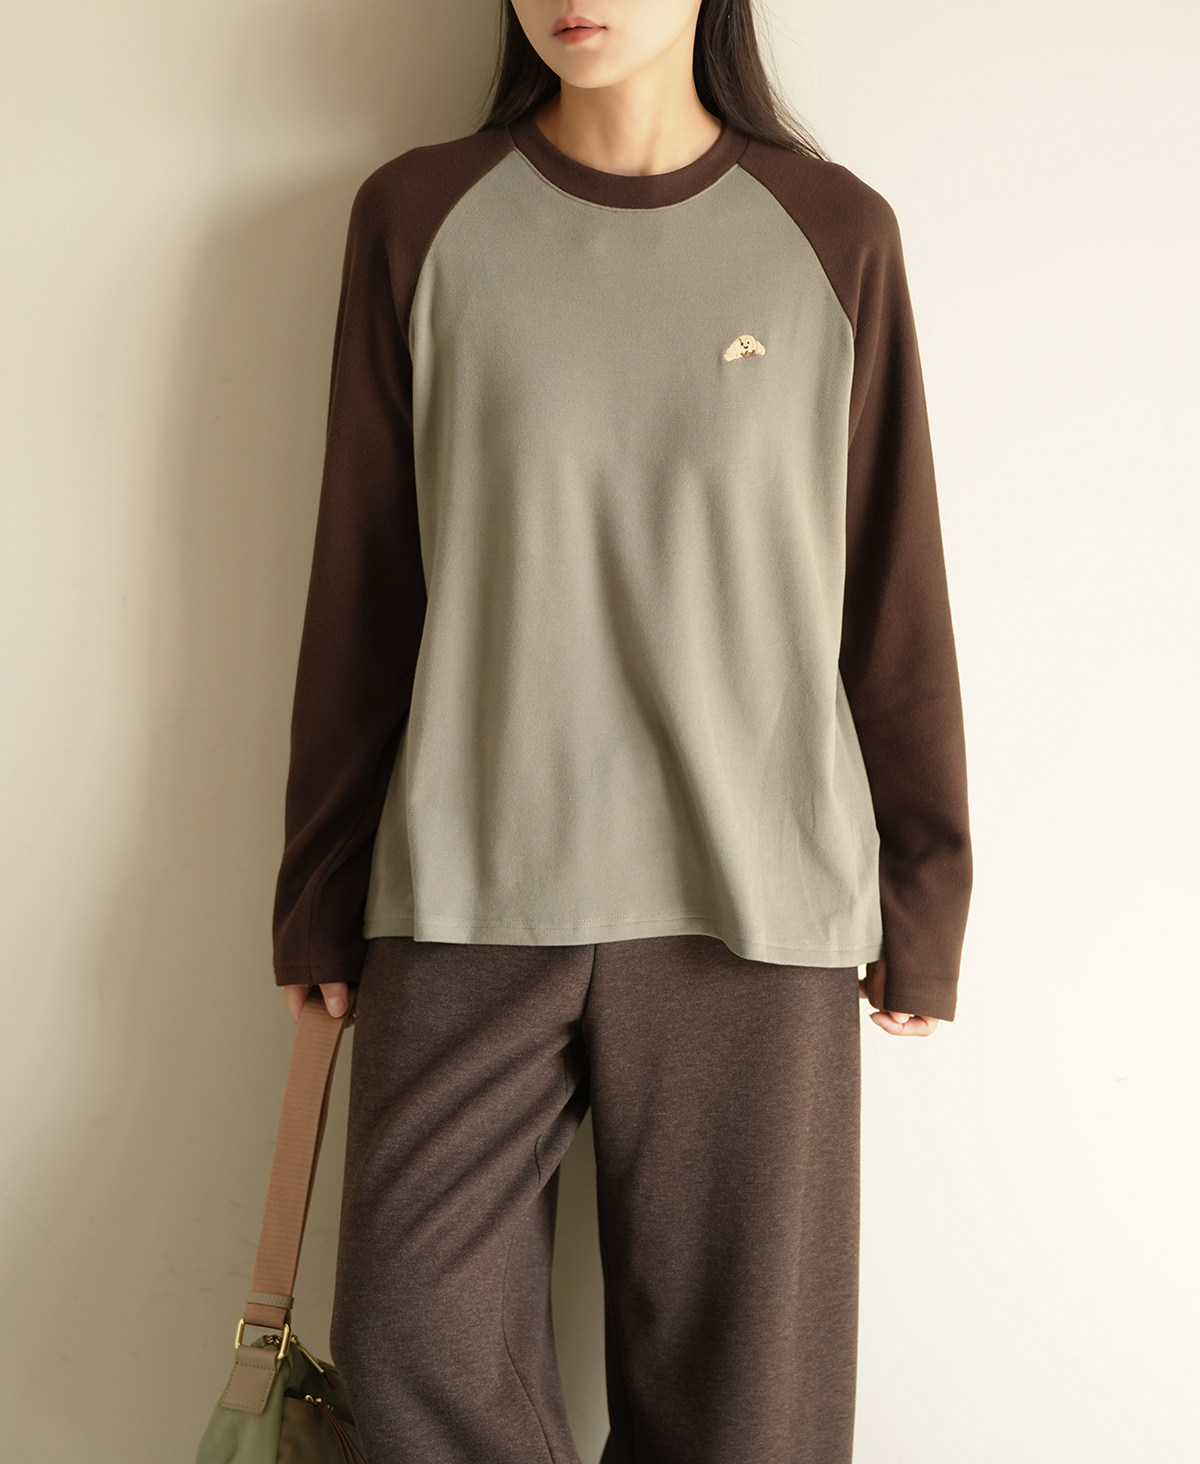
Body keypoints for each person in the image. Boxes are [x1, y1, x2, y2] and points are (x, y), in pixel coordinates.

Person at [271, 2, 972, 1459]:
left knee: (749, 1416)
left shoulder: (833, 233)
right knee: (412, 1357)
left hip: (754, 903)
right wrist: (322, 885)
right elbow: (365, 575)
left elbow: (889, 577)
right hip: (467, 885)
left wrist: (926, 883)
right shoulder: (418, 217)